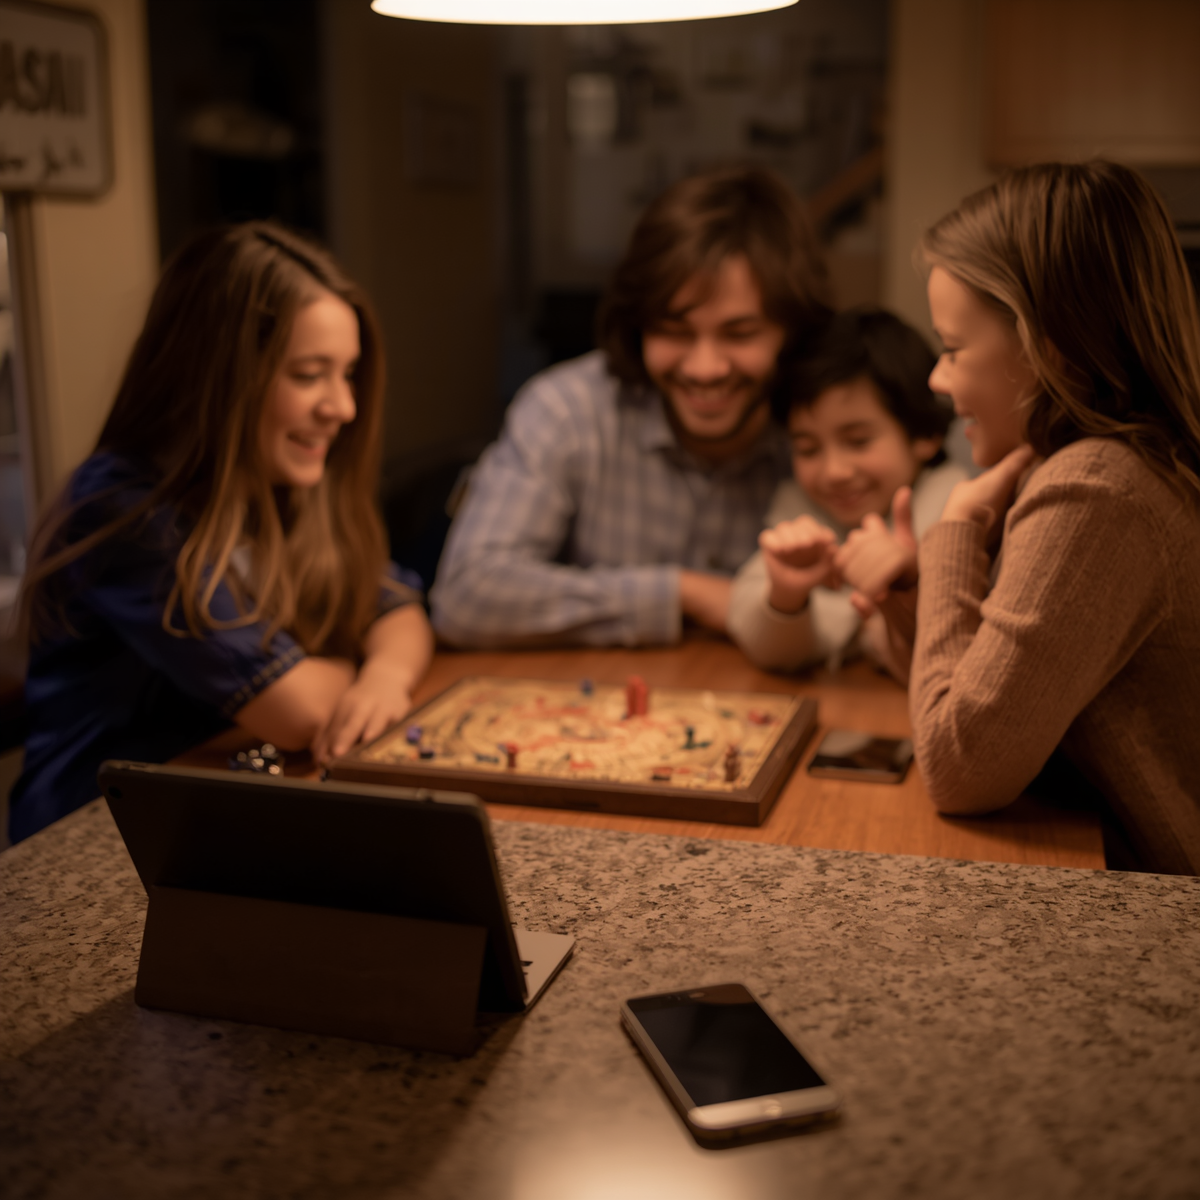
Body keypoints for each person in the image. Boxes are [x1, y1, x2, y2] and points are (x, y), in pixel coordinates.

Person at [10, 223, 433, 843]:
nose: (343, 406)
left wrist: (385, 678)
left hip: (216, 813)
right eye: (310, 374)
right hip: (89, 843)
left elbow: (397, 608)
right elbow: (300, 713)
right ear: (219, 379)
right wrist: (351, 662)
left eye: (348, 374)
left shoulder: (283, 484)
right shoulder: (124, 510)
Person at [867, 160, 1200, 875]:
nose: (937, 377)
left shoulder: (1096, 492)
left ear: (1049, 348)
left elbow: (960, 767)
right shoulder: (1105, 470)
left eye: (953, 350)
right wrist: (909, 595)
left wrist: (953, 532)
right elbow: (972, 701)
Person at [430, 165, 831, 648]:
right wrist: (686, 593)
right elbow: (465, 597)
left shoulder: (828, 430)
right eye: (674, 331)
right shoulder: (567, 409)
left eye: (739, 334)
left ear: (793, 332)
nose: (705, 368)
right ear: (637, 324)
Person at [727, 308, 964, 677]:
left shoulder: (958, 507)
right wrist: (787, 597)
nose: (834, 472)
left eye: (858, 441)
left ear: (925, 434)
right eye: (808, 449)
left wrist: (908, 583)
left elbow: (958, 657)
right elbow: (758, 640)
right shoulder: (801, 509)